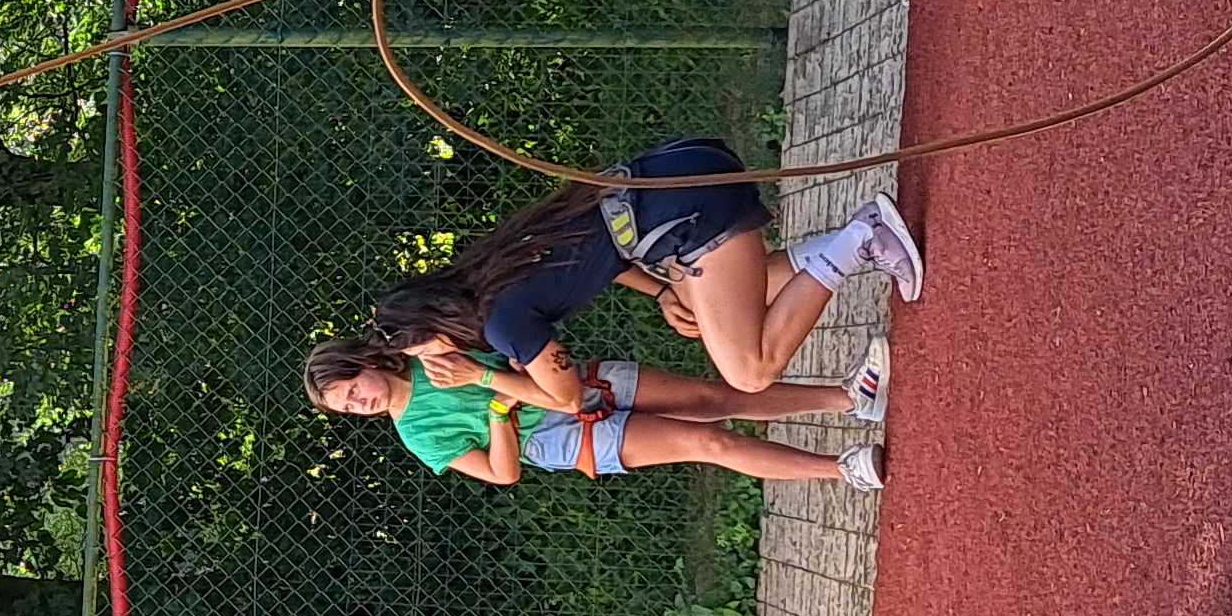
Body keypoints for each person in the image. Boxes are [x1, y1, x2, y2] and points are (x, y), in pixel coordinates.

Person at [369, 138, 919, 410]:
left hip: (687, 213)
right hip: (676, 173)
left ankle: (860, 239)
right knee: (707, 313)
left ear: (435, 326)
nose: (434, 360)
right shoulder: (491, 266)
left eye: (425, 351)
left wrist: (481, 377)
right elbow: (588, 263)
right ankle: (858, 247)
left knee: (749, 372)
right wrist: (660, 290)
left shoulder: (502, 326)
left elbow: (566, 397)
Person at [308, 335, 888, 492]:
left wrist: (494, 378)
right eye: (348, 408)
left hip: (573, 383)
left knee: (713, 398)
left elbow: (503, 342)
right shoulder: (417, 434)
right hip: (553, 436)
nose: (360, 402)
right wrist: (497, 413)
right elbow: (502, 474)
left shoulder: (427, 348)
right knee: (711, 444)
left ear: (362, 363)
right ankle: (843, 470)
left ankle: (848, 398)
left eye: (351, 387)